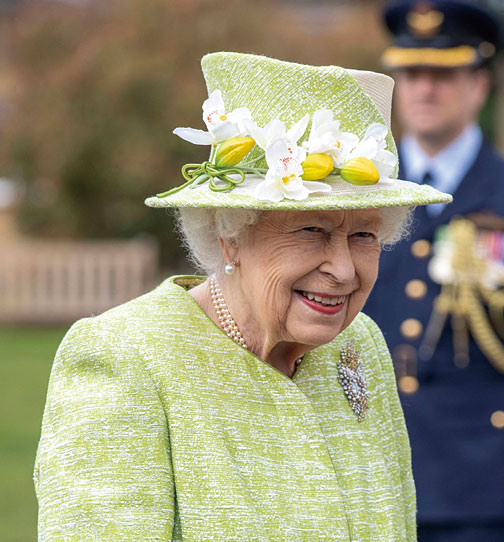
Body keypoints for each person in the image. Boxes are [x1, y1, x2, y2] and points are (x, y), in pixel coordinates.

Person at [34, 52, 452, 540]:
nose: (342, 270)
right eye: (311, 229)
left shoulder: (361, 344)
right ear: (228, 234)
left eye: (364, 236)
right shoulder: (127, 357)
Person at [364, 2, 504, 541]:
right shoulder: (362, 191)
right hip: (368, 465)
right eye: (411, 73)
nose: (424, 89)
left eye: (443, 74)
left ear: (479, 86)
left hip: (482, 473)